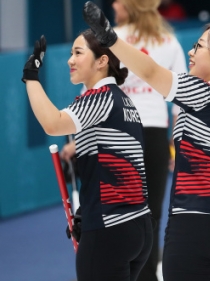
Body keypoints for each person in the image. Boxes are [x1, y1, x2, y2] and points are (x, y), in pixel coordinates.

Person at [82, 0, 210, 281]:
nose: (190, 51)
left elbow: (149, 72)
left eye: (198, 47)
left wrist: (110, 39)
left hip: (194, 224)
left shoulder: (200, 93)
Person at [62, 0, 188, 281]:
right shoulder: (169, 41)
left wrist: (76, 141)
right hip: (155, 135)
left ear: (130, 4)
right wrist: (178, 146)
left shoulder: (110, 37)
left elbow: (90, 90)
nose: (114, 5)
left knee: (109, 215)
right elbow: (181, 99)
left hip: (113, 134)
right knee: (149, 216)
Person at [23, 31, 153, 281]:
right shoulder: (124, 102)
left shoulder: (100, 97)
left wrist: (31, 77)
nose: (70, 60)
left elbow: (53, 124)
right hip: (137, 225)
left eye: (78, 53)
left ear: (102, 61)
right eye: (71, 53)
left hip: (111, 228)